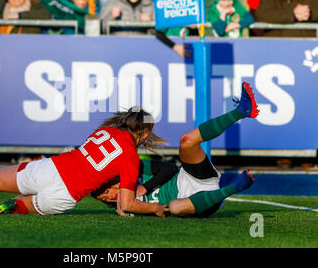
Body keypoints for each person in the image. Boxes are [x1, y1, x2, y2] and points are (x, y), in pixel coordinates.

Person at [0, 107, 169, 217]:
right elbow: (128, 204)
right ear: (145, 133)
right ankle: (12, 204)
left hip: (53, 169)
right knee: (23, 204)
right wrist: (155, 208)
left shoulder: (105, 130)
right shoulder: (130, 156)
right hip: (66, 196)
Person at [93, 82, 259, 217]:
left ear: (112, 181)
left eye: (106, 191)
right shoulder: (125, 206)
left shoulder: (132, 168)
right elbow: (159, 211)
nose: (108, 196)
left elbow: (170, 169)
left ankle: (240, 111)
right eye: (104, 198)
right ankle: (232, 188)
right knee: (174, 207)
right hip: (193, 203)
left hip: (190, 177)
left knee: (186, 141)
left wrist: (145, 187)